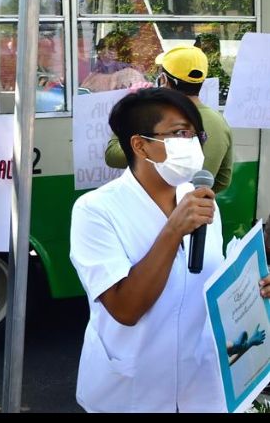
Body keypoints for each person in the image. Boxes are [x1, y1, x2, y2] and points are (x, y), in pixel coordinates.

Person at [70, 87, 270, 412]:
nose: (192, 144)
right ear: (140, 145)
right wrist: (174, 230)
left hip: (203, 386)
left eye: (195, 134)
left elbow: (209, 288)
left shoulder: (203, 202)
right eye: (179, 133)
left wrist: (254, 288)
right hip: (132, 390)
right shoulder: (95, 210)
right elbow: (125, 309)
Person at [105, 45, 233, 193]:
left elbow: (113, 156)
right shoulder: (219, 121)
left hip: (155, 207)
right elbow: (223, 180)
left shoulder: (155, 118)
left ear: (164, 80)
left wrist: (133, 106)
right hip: (198, 208)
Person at [80, 30, 146, 92]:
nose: (104, 53)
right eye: (102, 48)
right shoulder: (93, 77)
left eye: (111, 49)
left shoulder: (131, 74)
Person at [194, 33, 231, 105]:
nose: (200, 55)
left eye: (206, 51)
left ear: (217, 55)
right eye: (196, 52)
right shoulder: (190, 80)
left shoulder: (225, 83)